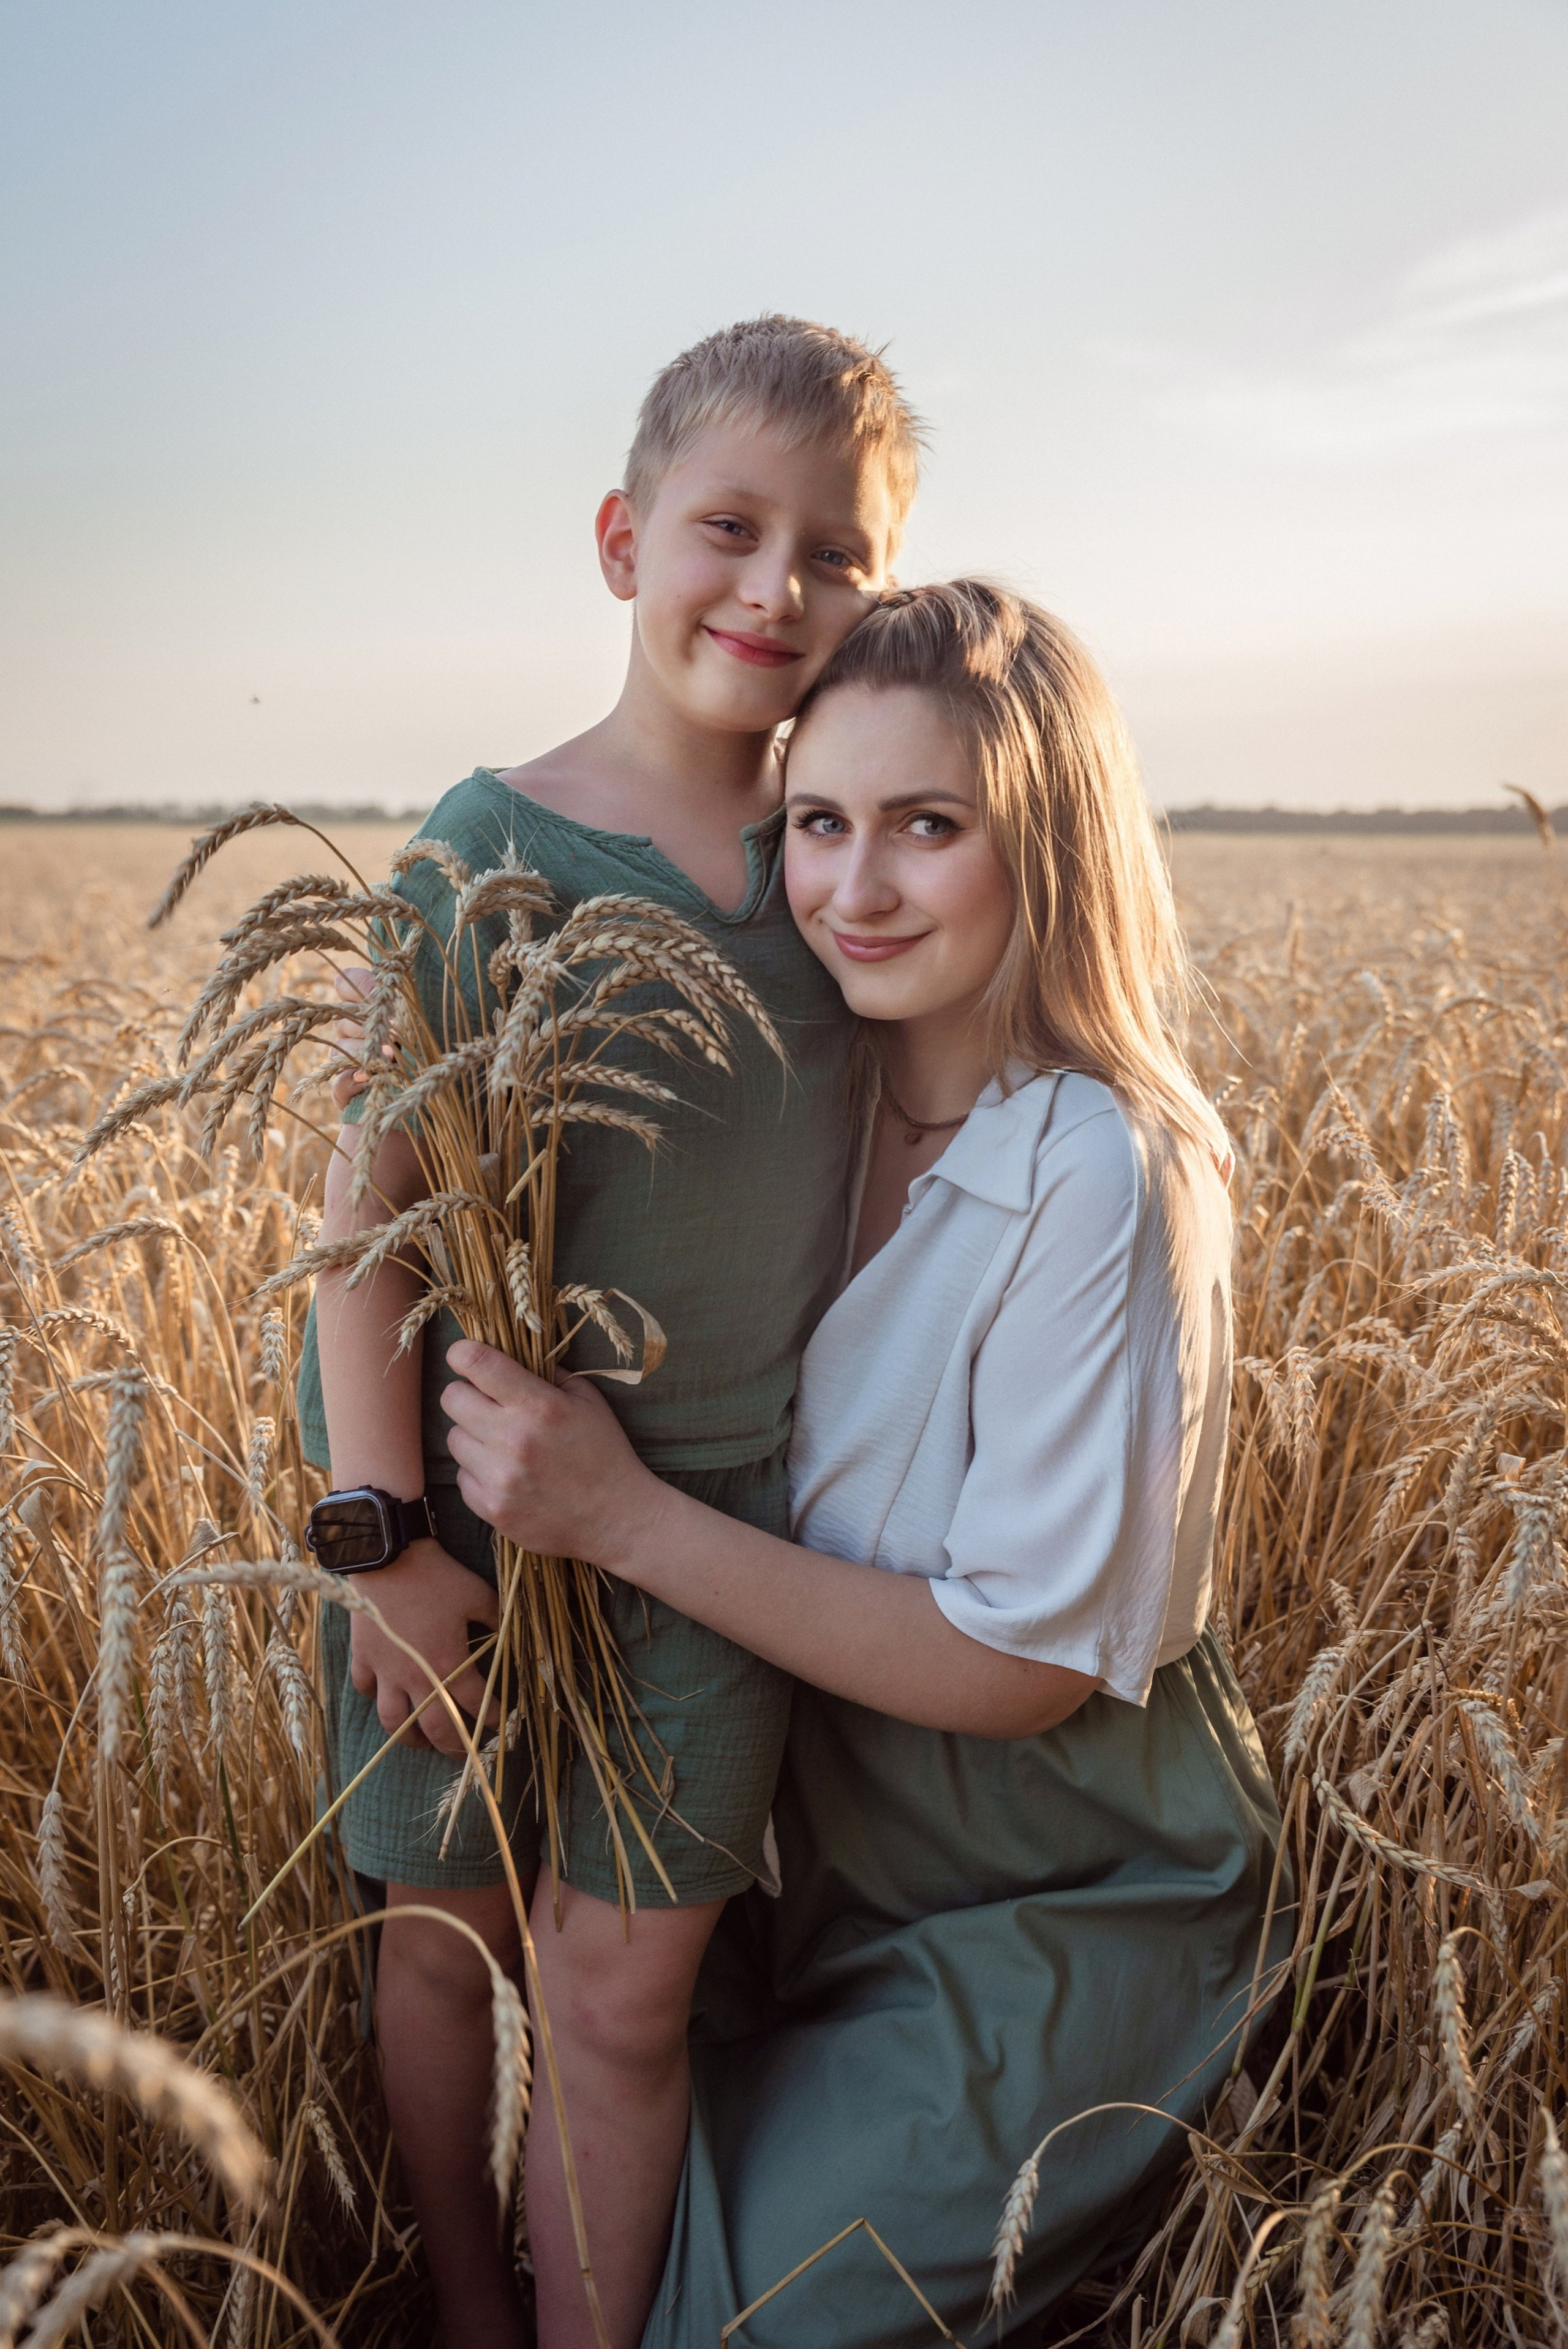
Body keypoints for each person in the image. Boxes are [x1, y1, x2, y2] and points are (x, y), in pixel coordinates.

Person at [439, 581, 1292, 2347]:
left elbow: (1016, 1664)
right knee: (590, 2172)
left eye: (929, 826)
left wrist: (623, 1517)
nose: (856, 887)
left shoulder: (1108, 1171)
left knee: (717, 2322)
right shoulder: (797, 1092)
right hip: (805, 1856)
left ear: (1048, 844)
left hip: (1069, 1895)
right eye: (819, 823)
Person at [298, 316, 924, 2349]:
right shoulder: (492, 850)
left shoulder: (840, 882)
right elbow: (362, 1231)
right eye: (728, 531)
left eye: (835, 555)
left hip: (714, 1533)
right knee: (452, 1944)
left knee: (630, 1983)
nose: (776, 589)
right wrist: (377, 1536)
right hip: (458, 1509)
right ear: (619, 541)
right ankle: (473, 2314)